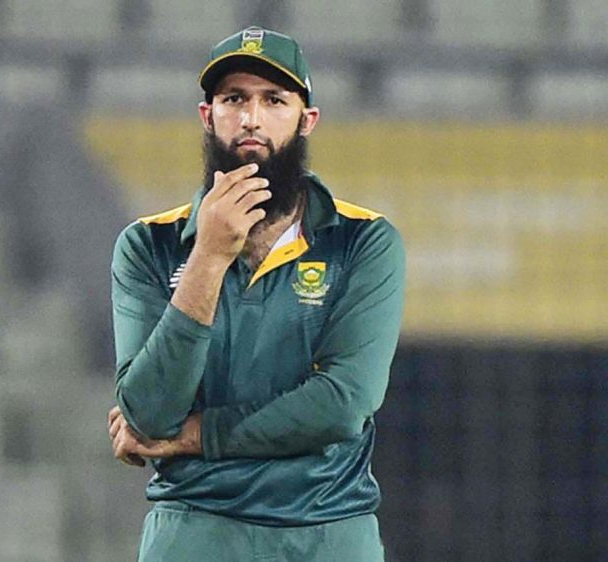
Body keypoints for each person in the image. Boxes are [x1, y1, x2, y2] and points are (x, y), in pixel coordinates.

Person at [107, 25, 405, 562]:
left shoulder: (362, 240)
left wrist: (194, 435)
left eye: (274, 100)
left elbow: (340, 405)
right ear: (208, 115)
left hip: (327, 532)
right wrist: (209, 257)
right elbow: (149, 415)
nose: (251, 118)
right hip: (196, 532)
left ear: (306, 120)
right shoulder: (148, 245)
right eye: (234, 99)